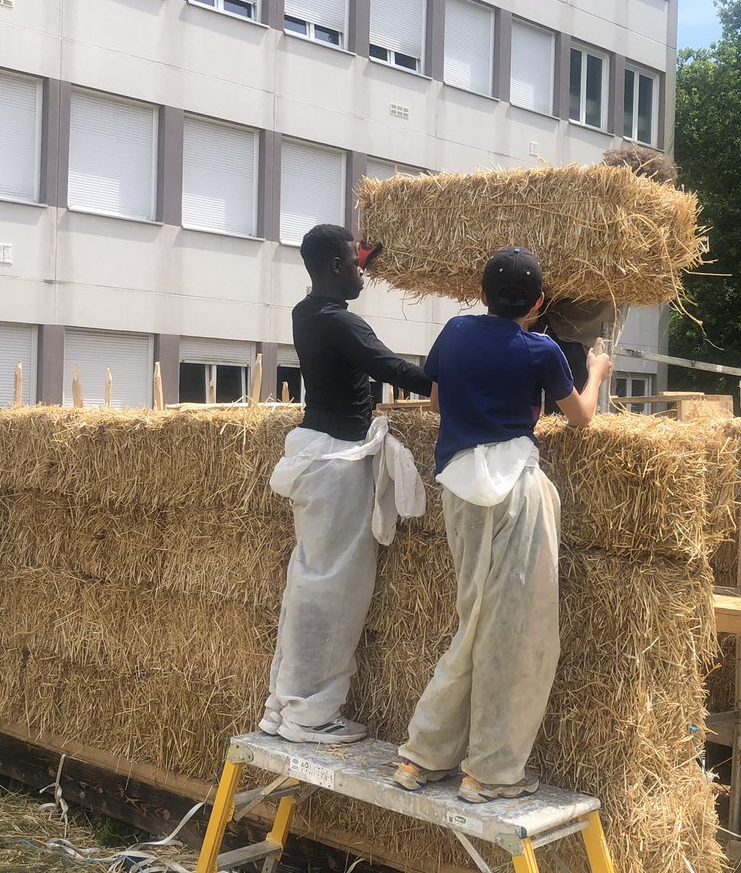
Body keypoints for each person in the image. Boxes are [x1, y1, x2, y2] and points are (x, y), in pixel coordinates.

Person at [392, 247, 612, 802]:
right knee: (515, 631)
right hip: (515, 487)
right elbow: (581, 419)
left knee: (473, 619)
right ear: (539, 303)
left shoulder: (454, 331)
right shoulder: (541, 349)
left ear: (481, 295)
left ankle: (423, 756)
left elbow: (437, 401)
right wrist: (596, 373)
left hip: (459, 487)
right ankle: (490, 772)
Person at [259, 223, 433, 745]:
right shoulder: (342, 323)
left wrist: (363, 255)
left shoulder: (307, 312)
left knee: (309, 582)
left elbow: (343, 282)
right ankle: (310, 716)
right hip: (337, 464)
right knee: (336, 591)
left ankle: (283, 706)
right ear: (336, 266)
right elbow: (396, 370)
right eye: (356, 265)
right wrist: (464, 374)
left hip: (316, 453)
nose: (364, 273)